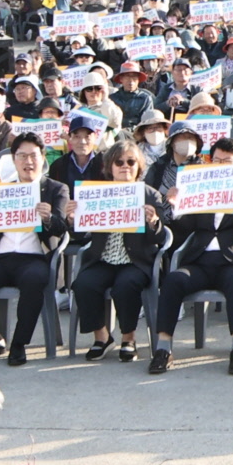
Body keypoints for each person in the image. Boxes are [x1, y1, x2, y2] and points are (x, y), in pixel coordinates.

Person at [149, 136, 233, 376]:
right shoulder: (200, 190)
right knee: (174, 280)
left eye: (227, 161)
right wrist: (177, 206)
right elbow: (181, 230)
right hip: (199, 261)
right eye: (217, 160)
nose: (220, 165)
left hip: (232, 261)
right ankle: (163, 347)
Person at [0, 132, 71, 366]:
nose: (28, 161)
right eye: (22, 156)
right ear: (13, 160)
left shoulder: (56, 189)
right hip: (0, 257)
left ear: (42, 158)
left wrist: (48, 218)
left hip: (35, 257)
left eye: (33, 156)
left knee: (33, 281)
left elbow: (62, 228)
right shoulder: (1, 190)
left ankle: (19, 344)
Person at [70, 140, 166, 362]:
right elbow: (78, 235)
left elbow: (161, 238)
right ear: (109, 166)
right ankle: (102, 337)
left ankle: (128, 338)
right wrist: (72, 219)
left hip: (135, 260)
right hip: (102, 258)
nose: (125, 166)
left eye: (131, 162)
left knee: (126, 286)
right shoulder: (95, 193)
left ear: (139, 166)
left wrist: (153, 222)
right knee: (84, 284)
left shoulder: (150, 195)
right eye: (119, 162)